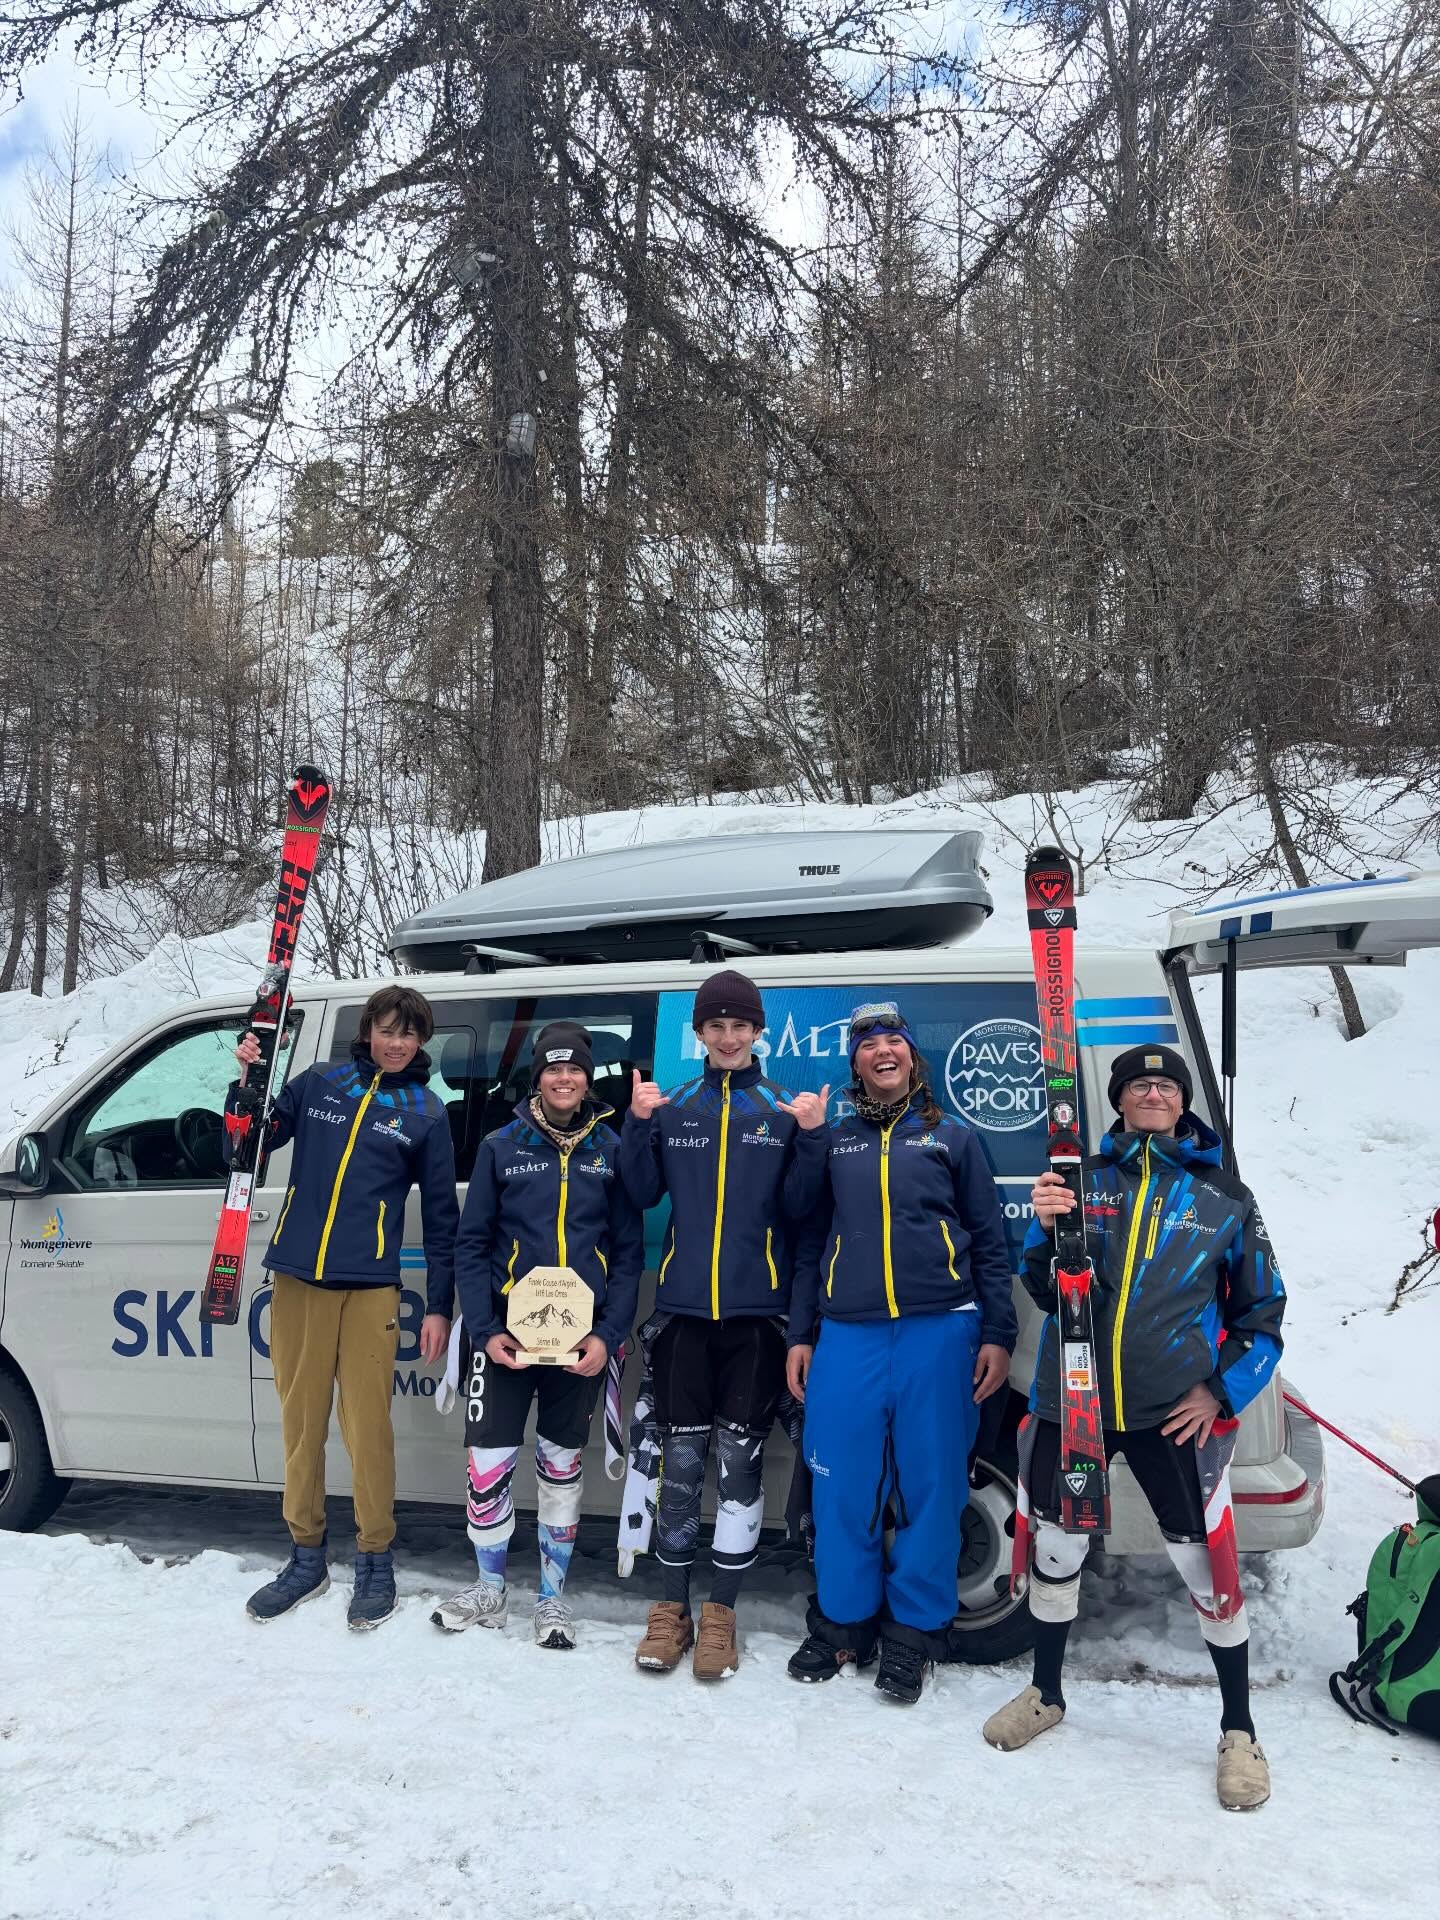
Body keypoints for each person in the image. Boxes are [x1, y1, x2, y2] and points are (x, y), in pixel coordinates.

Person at [981, 1044, 1286, 1812]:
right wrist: (1047, 1231)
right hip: (1074, 1403)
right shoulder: (1078, 1180)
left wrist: (1220, 1391)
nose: (1153, 1094)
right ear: (1119, 1101)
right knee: (1058, 1547)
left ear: (1183, 1102)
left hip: (1169, 1413)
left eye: (1165, 1085)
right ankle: (1046, 1692)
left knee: (1205, 1568)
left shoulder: (1225, 1197)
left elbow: (1263, 1314)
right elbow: (1045, 1288)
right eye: (1139, 1085)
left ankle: (1239, 1730)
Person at [784, 1002, 1016, 1703]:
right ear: (854, 1063)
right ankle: (843, 1623)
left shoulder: (955, 1139)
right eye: (868, 1044)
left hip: (938, 1332)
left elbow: (990, 1243)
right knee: (842, 1486)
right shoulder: (836, 1142)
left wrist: (998, 1335)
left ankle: (914, 1634)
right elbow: (806, 1239)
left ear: (913, 1057)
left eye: (894, 1041)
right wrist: (801, 1334)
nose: (882, 1051)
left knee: (931, 1487)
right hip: (848, 1334)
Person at [619, 969, 830, 1679]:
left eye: (741, 1025)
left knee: (740, 1466)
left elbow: (803, 1210)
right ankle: (670, 1610)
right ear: (700, 1033)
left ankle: (721, 1615)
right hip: (683, 1316)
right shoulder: (674, 1105)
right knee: (679, 1468)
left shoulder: (782, 1108)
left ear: (758, 1031)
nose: (730, 1036)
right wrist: (636, 1123)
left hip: (756, 1321)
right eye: (717, 1025)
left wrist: (811, 1137)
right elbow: (640, 1190)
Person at [238, 985, 458, 1630]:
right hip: (299, 1280)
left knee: (368, 1429)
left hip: (371, 1289)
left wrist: (439, 1305)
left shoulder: (426, 1112)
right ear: (367, 1031)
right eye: (387, 1030)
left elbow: (441, 1218)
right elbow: (250, 1143)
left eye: (409, 1034)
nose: (397, 1043)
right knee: (301, 1424)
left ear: (422, 1041)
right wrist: (248, 1080)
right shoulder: (319, 1082)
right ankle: (305, 1556)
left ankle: (375, 1558)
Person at [432, 1021, 643, 1649]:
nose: (564, 1078)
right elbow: (471, 1244)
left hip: (578, 1341)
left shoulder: (611, 1149)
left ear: (587, 1078)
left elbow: (627, 1254)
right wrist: (485, 1329)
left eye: (574, 1068)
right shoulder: (501, 1145)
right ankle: (490, 1589)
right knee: (488, 1463)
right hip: (505, 1339)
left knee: (561, 1467)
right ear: (537, 1077)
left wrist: (608, 1334)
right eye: (553, 1068)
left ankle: (552, 1597)